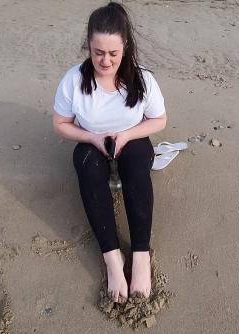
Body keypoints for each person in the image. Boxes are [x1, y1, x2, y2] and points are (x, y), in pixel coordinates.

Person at [52, 2, 167, 303]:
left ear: (125, 47)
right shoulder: (74, 81)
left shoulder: (143, 79)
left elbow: (159, 120)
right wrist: (91, 137)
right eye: (98, 52)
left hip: (131, 142)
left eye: (113, 54)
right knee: (86, 165)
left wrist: (127, 134)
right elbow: (60, 123)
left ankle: (141, 255)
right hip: (93, 143)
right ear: (88, 46)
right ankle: (112, 258)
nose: (105, 61)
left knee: (138, 161)